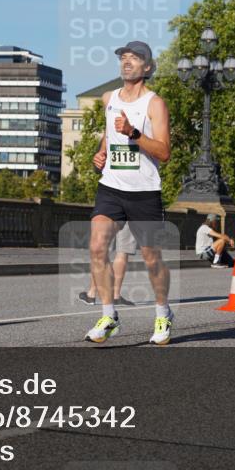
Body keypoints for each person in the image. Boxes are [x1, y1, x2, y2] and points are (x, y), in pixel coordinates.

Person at [84, 40, 173, 345]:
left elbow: (163, 152)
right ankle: (109, 316)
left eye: (134, 58)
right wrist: (101, 154)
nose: (127, 62)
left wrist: (134, 134)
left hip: (144, 191)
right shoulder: (109, 98)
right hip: (111, 187)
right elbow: (109, 138)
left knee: (152, 259)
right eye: (124, 57)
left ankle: (163, 313)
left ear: (147, 67)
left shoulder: (154, 104)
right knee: (97, 247)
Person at [79, 225, 137, 306]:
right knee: (123, 251)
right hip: (131, 214)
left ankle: (91, 294)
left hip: (111, 214)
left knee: (102, 250)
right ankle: (115, 296)